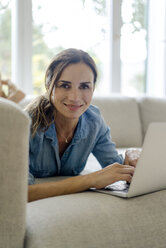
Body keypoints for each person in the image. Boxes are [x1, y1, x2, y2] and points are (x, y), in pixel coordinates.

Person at [24, 48, 140, 202]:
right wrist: (90, 180)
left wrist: (132, 160)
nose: (75, 97)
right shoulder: (25, 124)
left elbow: (115, 166)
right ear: (48, 85)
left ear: (93, 88)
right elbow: (20, 192)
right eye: (65, 85)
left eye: (84, 86)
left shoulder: (94, 121)